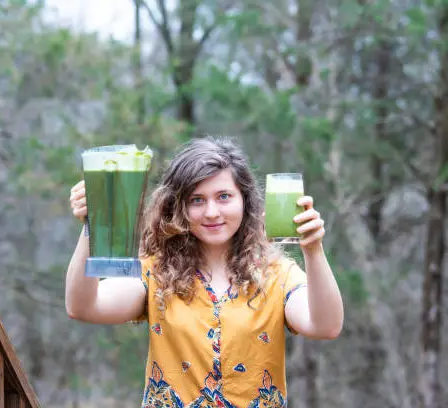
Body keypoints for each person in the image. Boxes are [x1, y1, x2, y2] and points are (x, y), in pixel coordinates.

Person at [66, 136, 343, 408]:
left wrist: (313, 250)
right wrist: (92, 224)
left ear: (244, 201)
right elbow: (84, 307)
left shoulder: (277, 272)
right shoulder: (156, 271)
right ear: (178, 207)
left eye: (224, 197)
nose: (211, 212)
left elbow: (325, 326)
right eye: (197, 200)